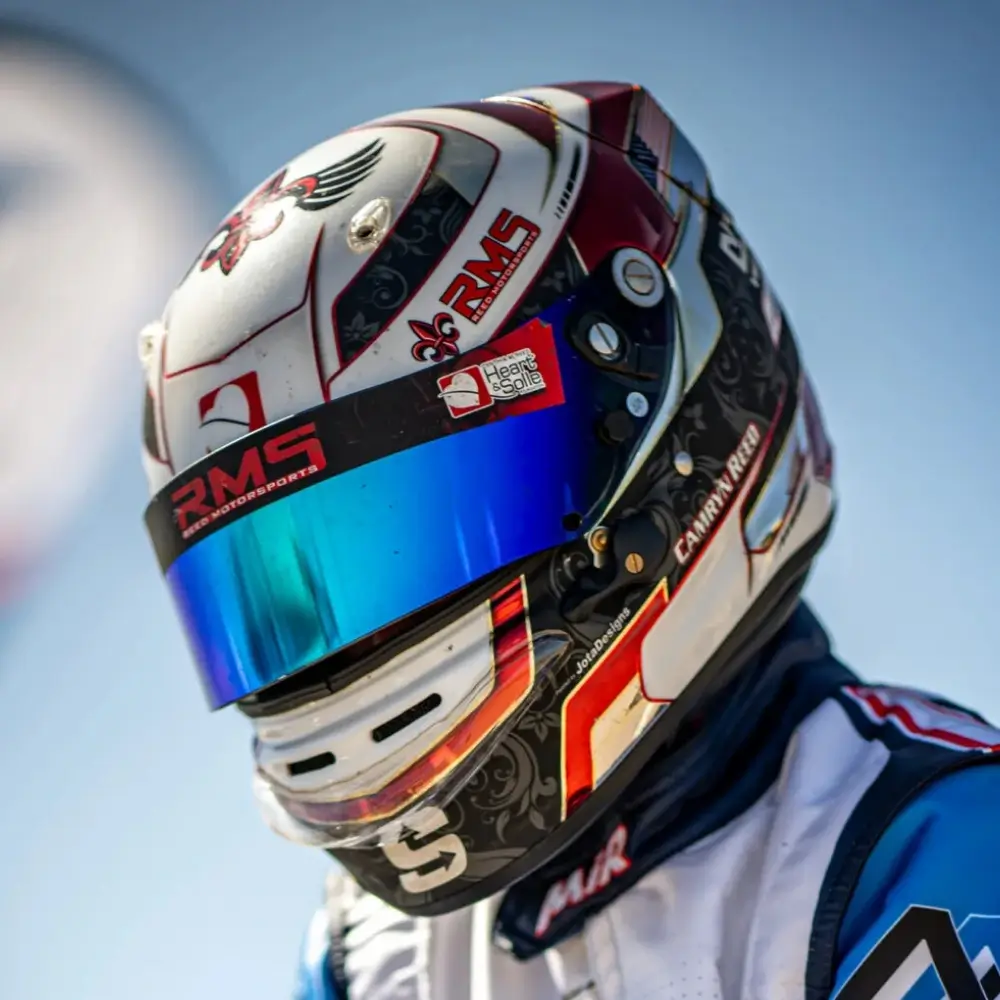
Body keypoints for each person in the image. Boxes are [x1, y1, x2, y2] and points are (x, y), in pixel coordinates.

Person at [139, 82, 1000, 1000]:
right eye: (282, 594)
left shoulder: (938, 846)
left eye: (430, 524)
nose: (353, 638)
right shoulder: (369, 956)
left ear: (664, 429)